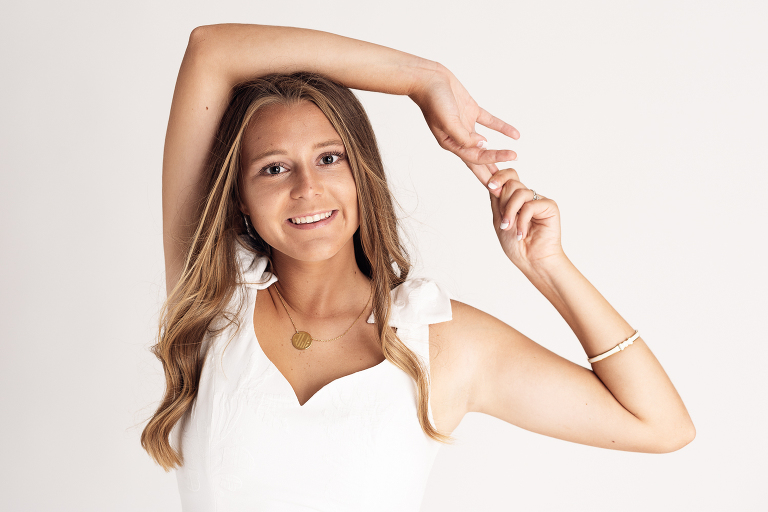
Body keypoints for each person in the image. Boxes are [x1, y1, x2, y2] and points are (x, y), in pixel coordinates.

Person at [141, 24, 695, 511]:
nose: (307, 188)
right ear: (239, 195)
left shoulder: (441, 343)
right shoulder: (211, 301)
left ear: (362, 174)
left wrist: (547, 266)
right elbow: (210, 49)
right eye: (273, 168)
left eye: (330, 158)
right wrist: (419, 79)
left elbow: (660, 425)